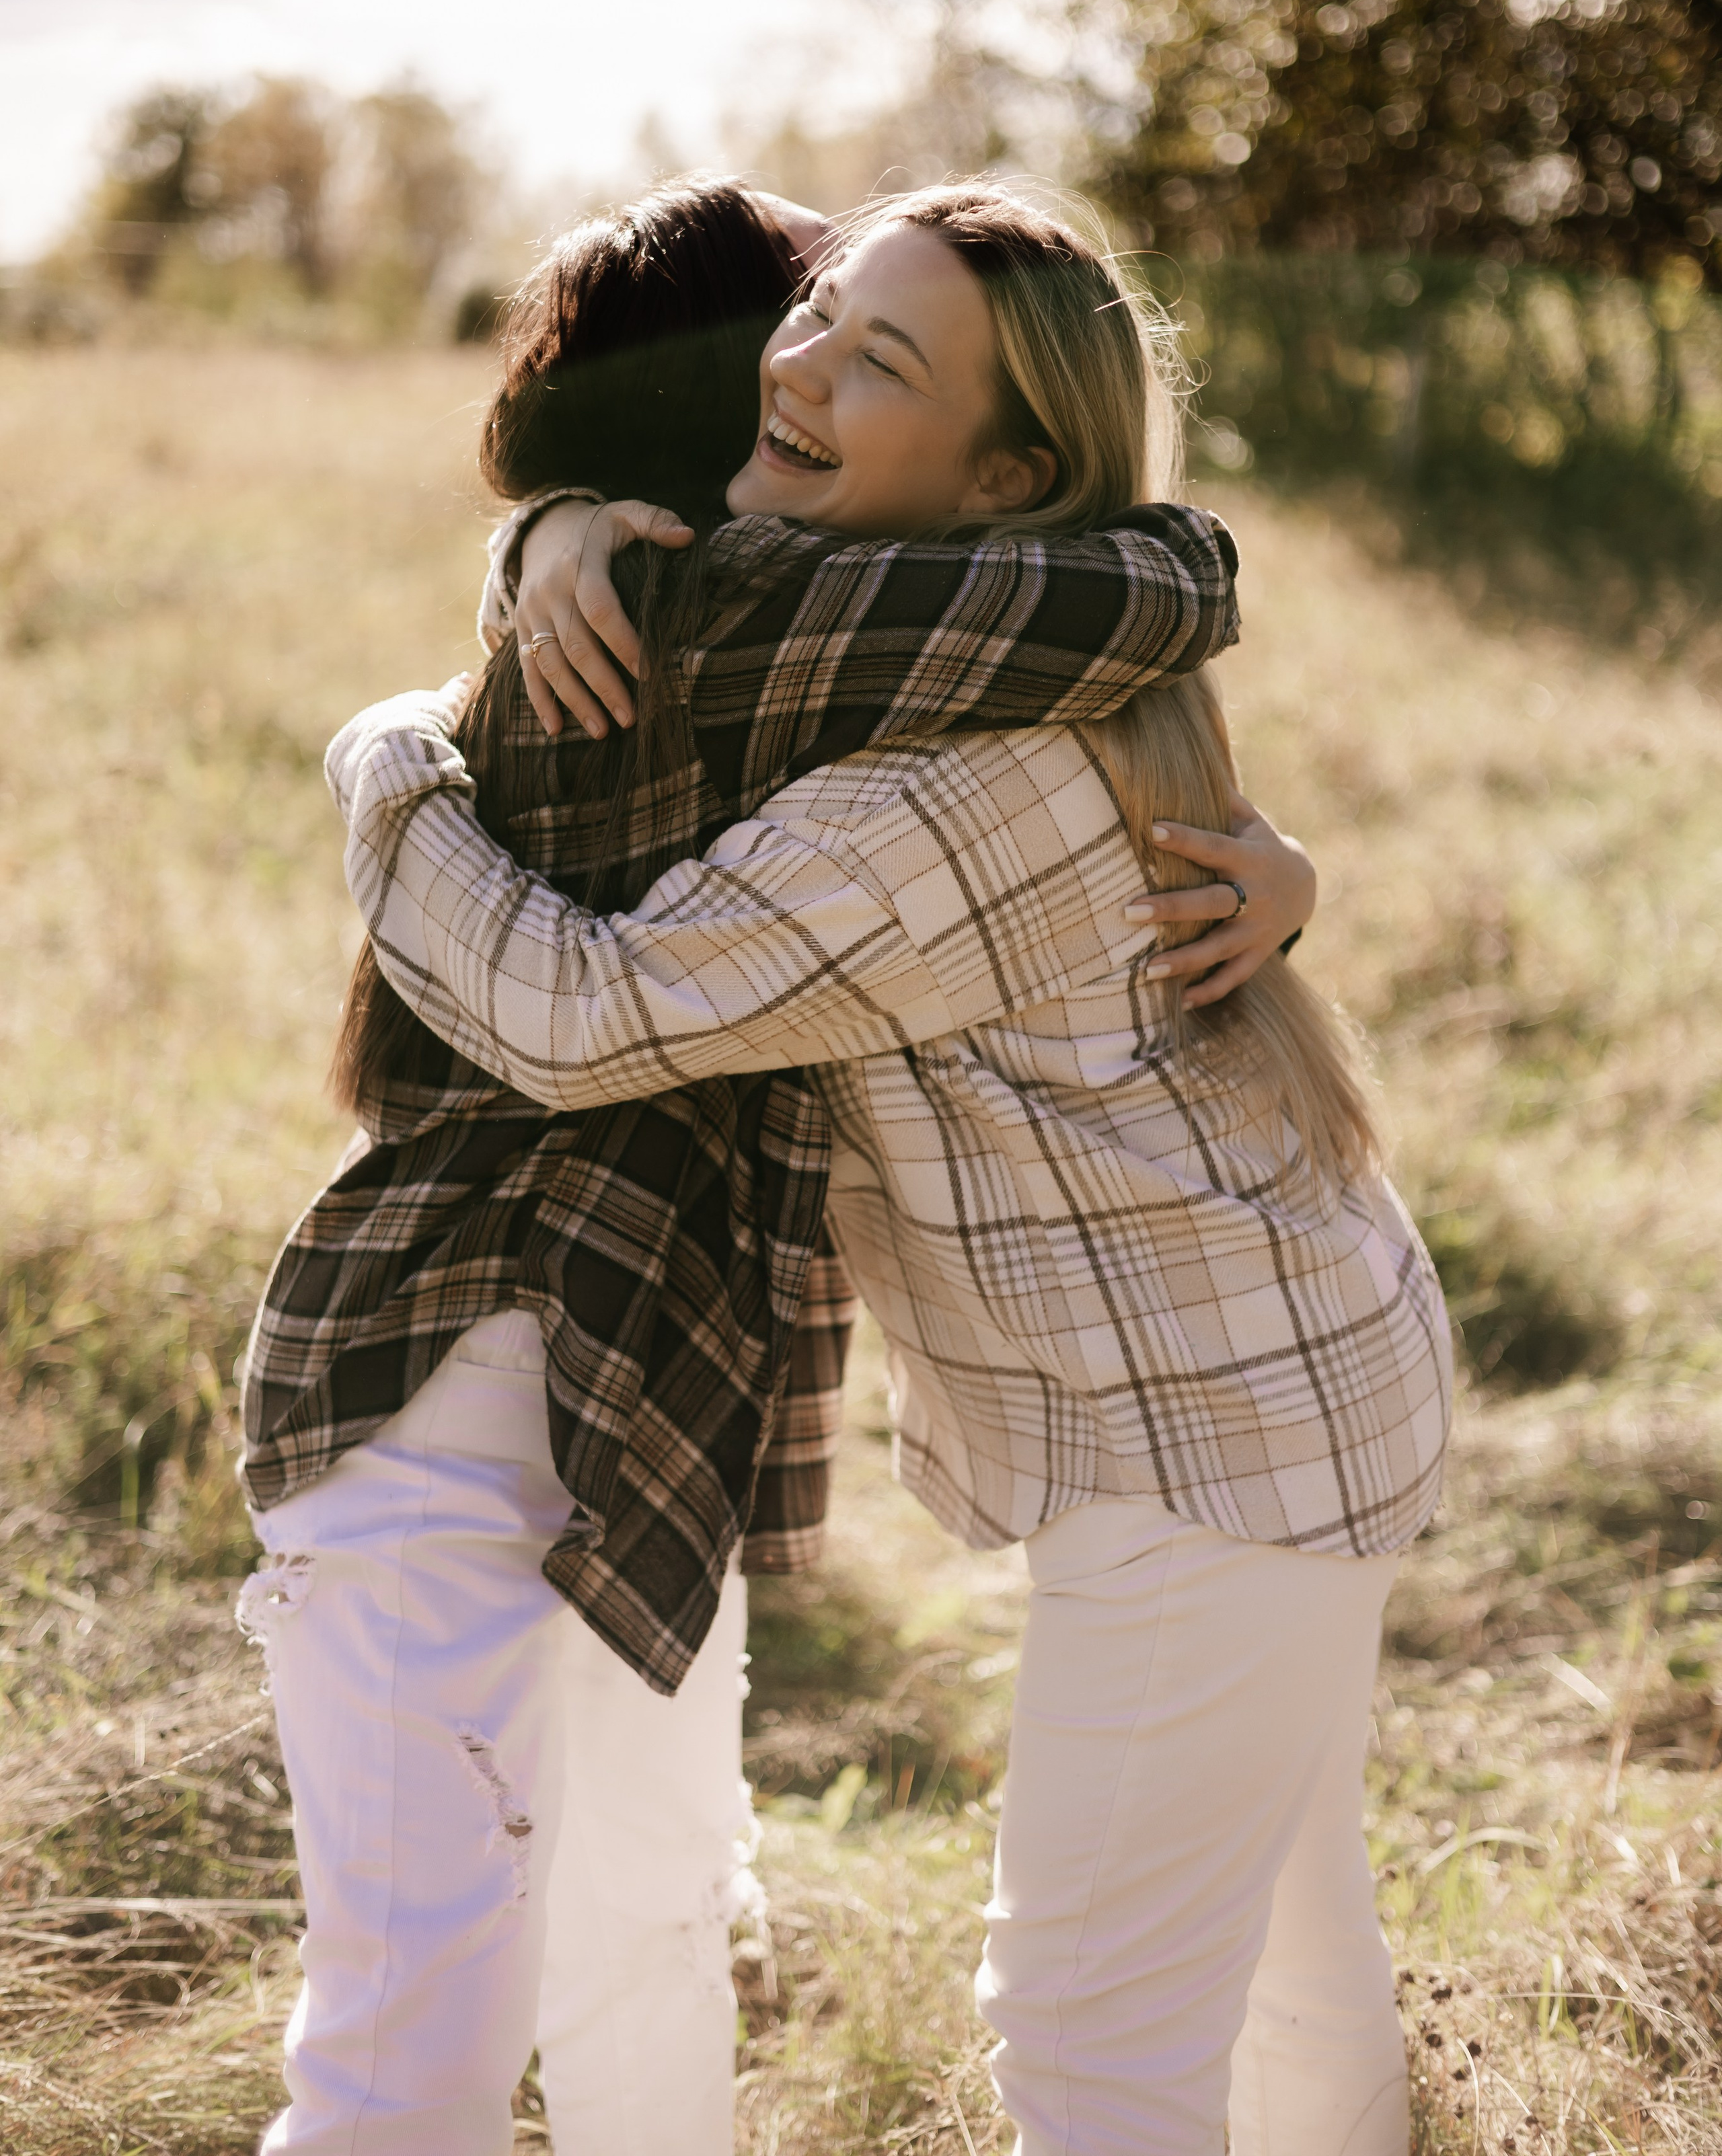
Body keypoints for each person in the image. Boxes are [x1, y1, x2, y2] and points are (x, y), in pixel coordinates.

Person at [329, 182, 1451, 2156]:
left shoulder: (934, 787)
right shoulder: (973, 651)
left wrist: (389, 760)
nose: (807, 366)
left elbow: (578, 1011)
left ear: (1011, 469)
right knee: (1291, 1941)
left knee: (1090, 2031)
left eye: (886, 362)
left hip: (1209, 1444)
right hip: (1295, 1372)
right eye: (822, 312)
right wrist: (552, 536)